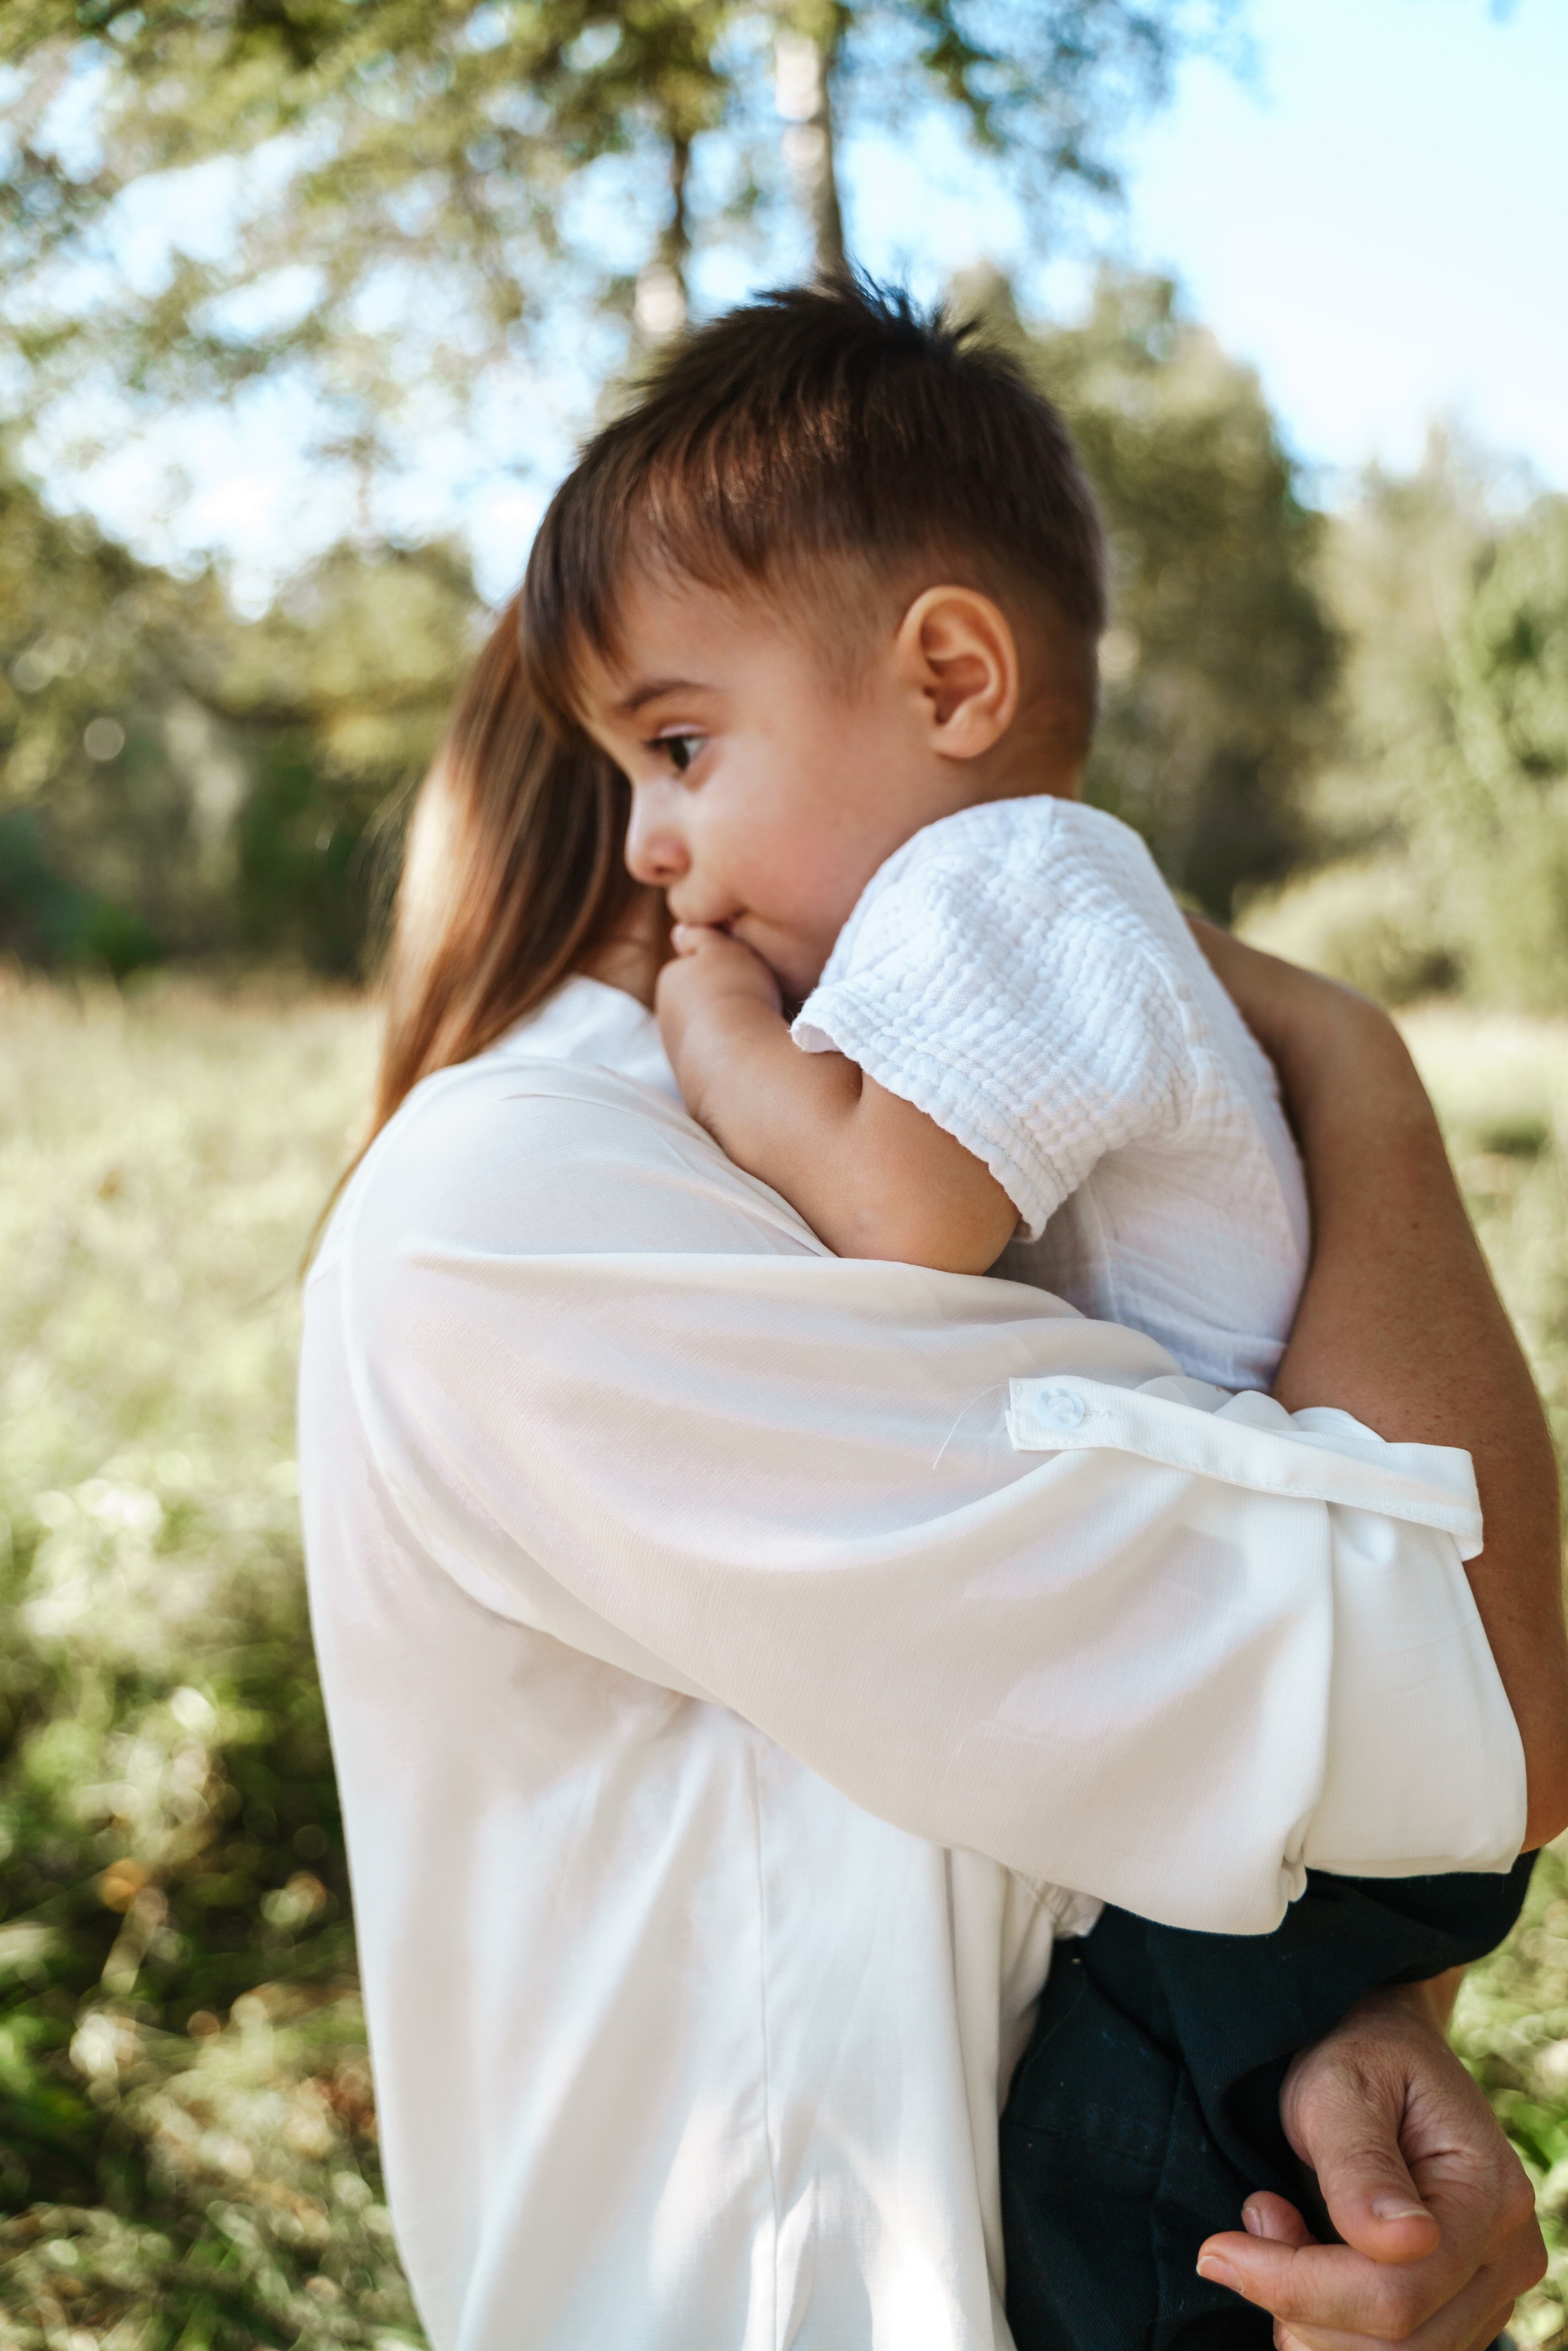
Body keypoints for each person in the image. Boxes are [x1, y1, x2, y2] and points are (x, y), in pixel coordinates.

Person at [299, 602, 1562, 2351]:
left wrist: (1359, 2037)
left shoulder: (849, 1167)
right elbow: (1479, 1702)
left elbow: (1123, 1792)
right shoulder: (538, 1195)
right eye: (669, 746)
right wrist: (1349, 1061)